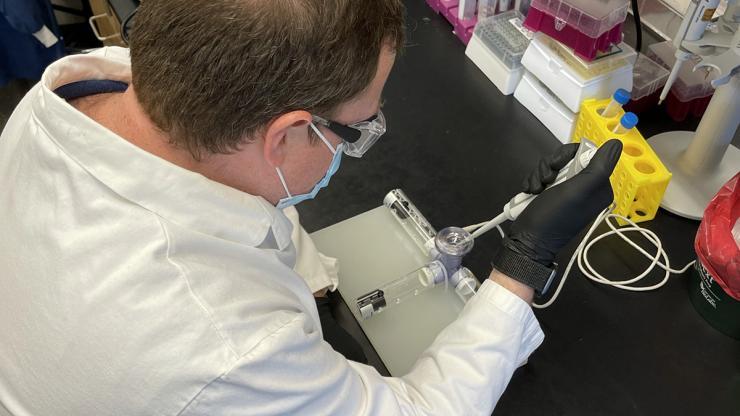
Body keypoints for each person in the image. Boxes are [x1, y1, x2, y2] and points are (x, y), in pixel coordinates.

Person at [0, 1, 622, 414]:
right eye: (356, 128)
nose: (360, 142)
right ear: (285, 134)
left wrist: (313, 278)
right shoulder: (224, 341)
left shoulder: (75, 93)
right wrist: (521, 267)